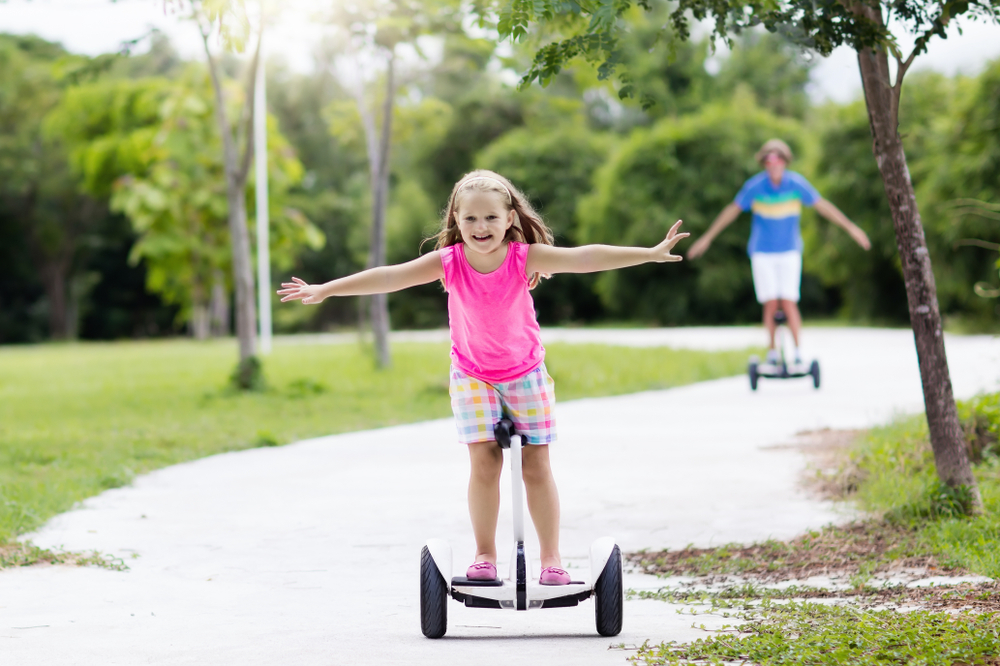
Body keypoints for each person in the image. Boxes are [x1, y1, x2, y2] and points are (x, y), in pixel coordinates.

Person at [278, 170, 688, 585]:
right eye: (470, 219)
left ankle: (551, 559)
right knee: (484, 462)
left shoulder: (524, 256)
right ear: (456, 220)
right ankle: (485, 555)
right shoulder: (450, 263)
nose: (481, 227)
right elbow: (390, 276)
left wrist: (649, 253)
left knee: (536, 466)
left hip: (525, 373)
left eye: (491, 218)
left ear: (510, 218)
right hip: (473, 376)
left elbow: (585, 258)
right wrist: (327, 289)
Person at [686, 139, 871, 366]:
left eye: (779, 159)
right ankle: (772, 352)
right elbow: (731, 212)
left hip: (789, 251)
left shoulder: (796, 184)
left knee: (789, 301)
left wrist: (851, 228)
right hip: (762, 252)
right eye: (769, 160)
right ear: (764, 163)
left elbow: (823, 206)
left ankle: (798, 351)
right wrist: (707, 238)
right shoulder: (755, 186)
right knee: (771, 302)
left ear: (785, 161)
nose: (774, 164)